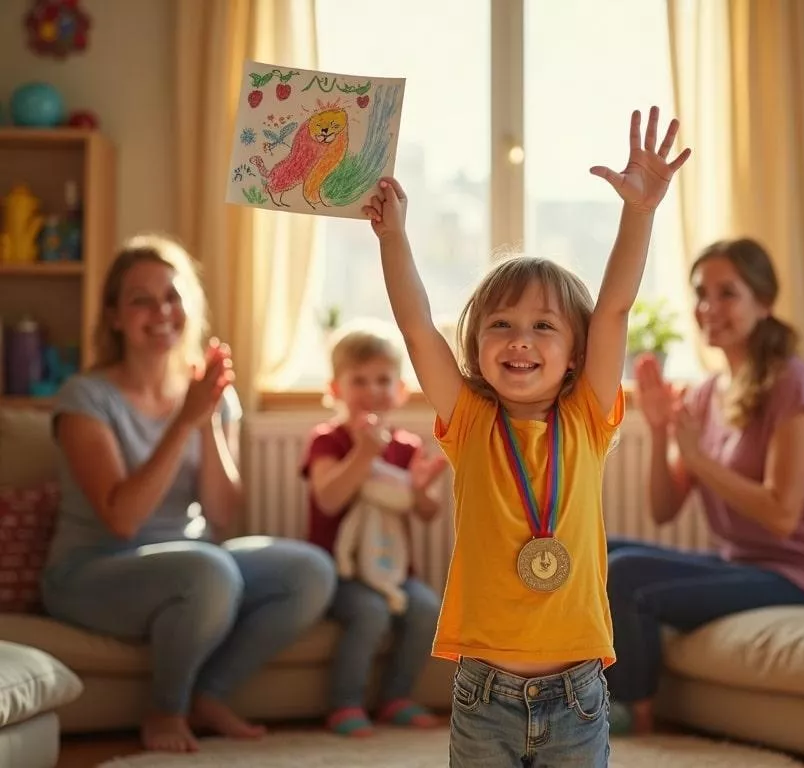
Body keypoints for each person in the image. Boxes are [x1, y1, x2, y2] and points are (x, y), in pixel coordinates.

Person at [361, 106, 690, 766]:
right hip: (483, 694)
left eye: (544, 326)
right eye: (500, 325)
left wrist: (641, 212)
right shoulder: (470, 420)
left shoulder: (589, 417)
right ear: (477, 346)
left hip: (578, 694)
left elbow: (616, 309)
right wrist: (392, 238)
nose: (519, 339)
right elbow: (420, 329)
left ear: (575, 351)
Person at [40, 234, 337, 753]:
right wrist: (185, 421)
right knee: (209, 570)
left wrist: (205, 419)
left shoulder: (208, 395)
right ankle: (164, 710)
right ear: (113, 316)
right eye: (141, 299)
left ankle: (210, 694)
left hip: (196, 563)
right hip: (93, 571)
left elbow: (221, 514)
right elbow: (122, 521)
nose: (161, 311)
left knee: (309, 570)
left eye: (172, 296)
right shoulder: (84, 398)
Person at [606, 237, 804, 735]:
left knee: (627, 578)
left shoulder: (792, 383)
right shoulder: (706, 394)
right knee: (600, 550)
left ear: (763, 302)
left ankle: (631, 711)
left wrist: (698, 459)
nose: (708, 307)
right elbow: (663, 509)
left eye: (727, 293)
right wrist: (659, 432)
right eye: (701, 293)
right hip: (741, 560)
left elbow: (782, 514)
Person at [300, 322, 448, 737]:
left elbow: (427, 513)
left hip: (394, 570)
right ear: (335, 389)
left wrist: (420, 491)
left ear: (400, 390)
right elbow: (328, 497)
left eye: (383, 380)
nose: (372, 389)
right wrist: (364, 455)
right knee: (369, 611)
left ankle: (396, 697)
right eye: (359, 380)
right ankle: (344, 703)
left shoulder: (406, 447)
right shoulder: (326, 440)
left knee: (424, 608)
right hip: (341, 572)